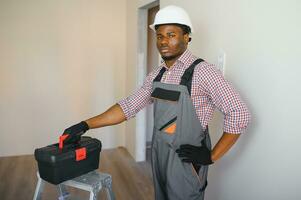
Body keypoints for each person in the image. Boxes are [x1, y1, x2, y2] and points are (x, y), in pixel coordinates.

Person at [62, 5, 251, 200]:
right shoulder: (156, 75)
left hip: (186, 161)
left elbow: (239, 113)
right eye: (160, 36)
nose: (163, 41)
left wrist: (211, 156)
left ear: (187, 37)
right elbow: (128, 106)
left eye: (171, 34)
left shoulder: (203, 72)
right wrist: (85, 124)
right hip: (160, 155)